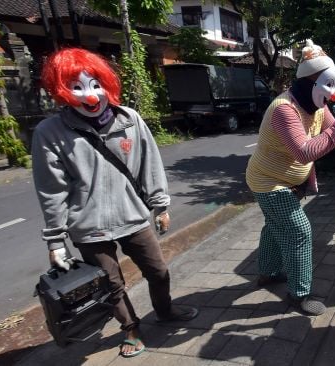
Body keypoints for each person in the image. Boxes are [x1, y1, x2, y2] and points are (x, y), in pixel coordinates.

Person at [31, 48, 198, 358]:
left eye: (95, 84)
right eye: (76, 87)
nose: (90, 95)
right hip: (88, 228)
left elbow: (149, 163)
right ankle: (131, 329)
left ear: (107, 83)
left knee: (158, 272)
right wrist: (55, 240)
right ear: (61, 91)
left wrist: (160, 205)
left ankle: (165, 310)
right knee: (112, 285)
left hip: (133, 216)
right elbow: (51, 190)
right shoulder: (50, 132)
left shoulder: (129, 119)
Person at [245, 40, 335, 315]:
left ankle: (268, 272)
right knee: (299, 231)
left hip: (288, 182)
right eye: (329, 85)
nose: (333, 94)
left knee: (275, 227)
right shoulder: (284, 109)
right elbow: (305, 152)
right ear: (311, 82)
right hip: (268, 182)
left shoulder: (318, 106)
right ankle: (300, 294)